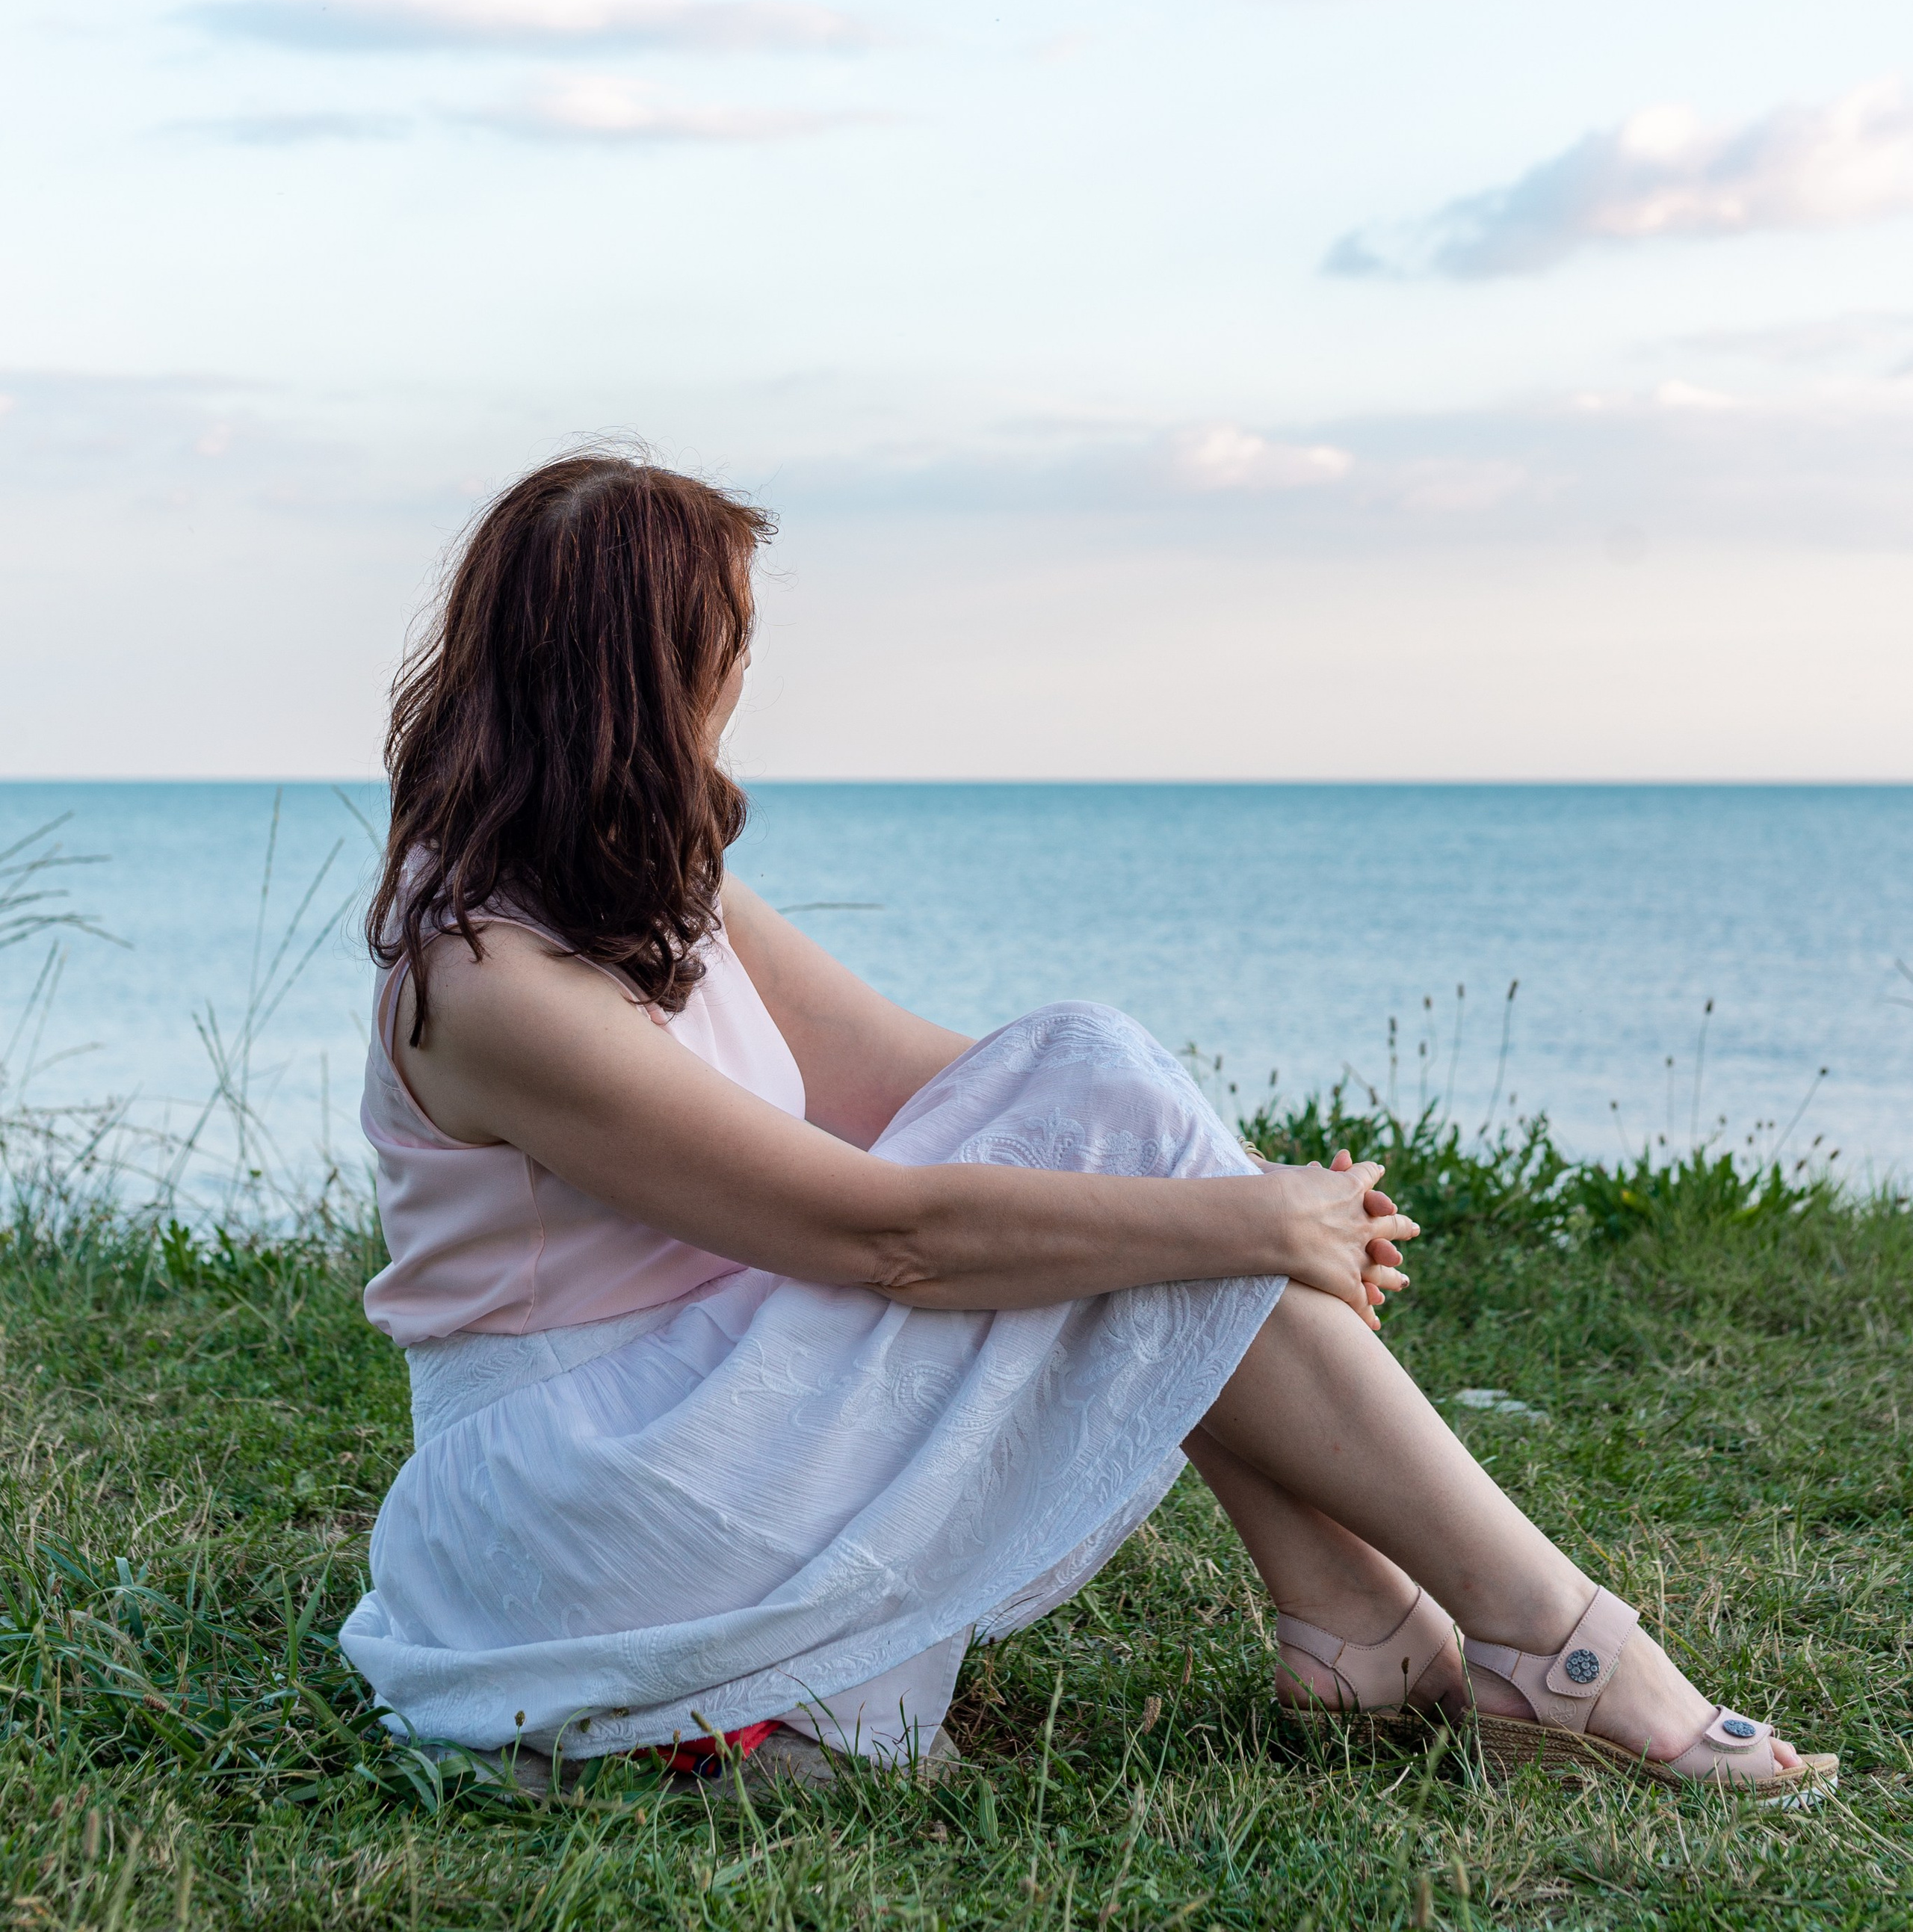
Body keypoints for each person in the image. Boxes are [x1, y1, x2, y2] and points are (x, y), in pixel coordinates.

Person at [339, 454, 1834, 1797]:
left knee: (1106, 1104)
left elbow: (948, 1084)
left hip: (712, 1419)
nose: (739, 677)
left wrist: (1248, 1193)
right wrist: (1253, 1222)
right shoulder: (483, 979)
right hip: (591, 1496)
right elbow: (886, 1233)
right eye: (728, 643)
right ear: (652, 672)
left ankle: (1378, 1630)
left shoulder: (649, 890)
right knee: (1120, 1139)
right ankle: (1541, 1645)